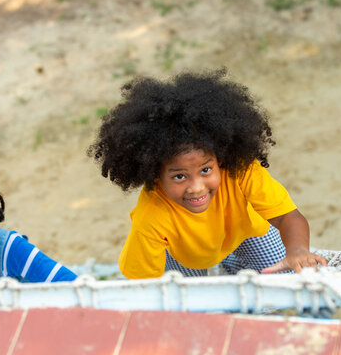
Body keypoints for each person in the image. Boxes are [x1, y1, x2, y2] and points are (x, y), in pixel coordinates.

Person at [88, 69, 327, 279]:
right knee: (190, 306)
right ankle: (224, 269)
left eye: (205, 170)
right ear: (154, 176)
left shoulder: (241, 171)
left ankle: (232, 262)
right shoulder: (151, 216)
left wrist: (298, 251)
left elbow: (287, 216)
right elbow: (145, 283)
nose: (197, 187)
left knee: (285, 276)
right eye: (180, 176)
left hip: (246, 233)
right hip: (187, 256)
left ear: (221, 159)